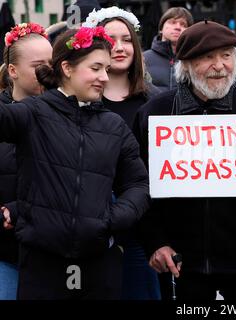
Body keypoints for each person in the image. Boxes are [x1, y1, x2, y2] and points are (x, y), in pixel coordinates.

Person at [134, 20, 236, 300]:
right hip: (181, 265)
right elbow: (138, 184)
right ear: (185, 65)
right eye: (207, 57)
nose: (219, 65)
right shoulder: (156, 114)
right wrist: (155, 242)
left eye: (227, 55)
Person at [0, 26, 150, 299]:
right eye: (95, 68)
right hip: (42, 265)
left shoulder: (113, 125)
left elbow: (138, 184)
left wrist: (112, 220)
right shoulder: (32, 113)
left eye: (106, 68)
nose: (104, 77)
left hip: (99, 265)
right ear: (67, 68)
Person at [82, 5, 161, 300]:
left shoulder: (155, 102)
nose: (119, 47)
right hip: (91, 228)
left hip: (145, 230)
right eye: (110, 39)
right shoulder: (79, 102)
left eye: (126, 39)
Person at [0, 22, 52, 300]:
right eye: (37, 65)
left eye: (52, 63)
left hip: (52, 256)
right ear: (13, 71)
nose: (47, 71)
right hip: (6, 254)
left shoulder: (68, 114)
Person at [143, 7, 193, 91]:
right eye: (172, 22)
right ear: (161, 29)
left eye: (183, 24)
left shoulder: (193, 60)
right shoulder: (143, 58)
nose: (178, 27)